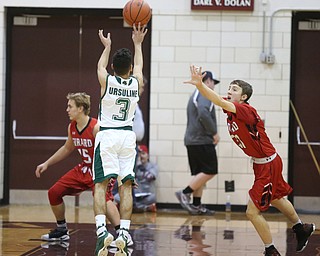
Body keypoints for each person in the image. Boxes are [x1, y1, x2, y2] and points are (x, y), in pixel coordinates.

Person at [184, 65, 316, 256]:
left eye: (234, 89)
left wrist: (200, 85)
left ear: (244, 97)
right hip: (264, 163)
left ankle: (270, 250)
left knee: (251, 212)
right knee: (277, 198)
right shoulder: (232, 110)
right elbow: (215, 99)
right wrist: (201, 88)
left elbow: (215, 100)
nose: (229, 91)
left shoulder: (244, 109)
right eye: (229, 88)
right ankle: (301, 228)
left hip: (268, 164)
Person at [35, 92, 120, 242]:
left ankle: (121, 235)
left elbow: (112, 151)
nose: (67, 109)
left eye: (70, 106)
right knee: (54, 192)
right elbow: (67, 148)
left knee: (103, 199)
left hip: (101, 169)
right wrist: (47, 163)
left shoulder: (96, 127)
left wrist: (115, 174)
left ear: (80, 108)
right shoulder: (72, 127)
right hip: (85, 168)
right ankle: (62, 230)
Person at [93, 23, 148, 256]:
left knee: (100, 185)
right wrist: (138, 43)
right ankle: (124, 233)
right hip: (128, 137)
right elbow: (140, 68)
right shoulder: (136, 84)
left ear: (114, 66)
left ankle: (102, 233)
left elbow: (99, 66)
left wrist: (107, 46)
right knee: (126, 185)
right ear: (131, 68)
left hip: (107, 134)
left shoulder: (107, 81)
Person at [175, 71, 220, 215]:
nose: (213, 87)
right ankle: (184, 193)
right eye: (213, 83)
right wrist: (214, 132)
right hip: (201, 140)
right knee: (210, 170)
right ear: (208, 81)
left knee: (200, 174)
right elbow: (203, 112)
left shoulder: (196, 94)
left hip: (193, 140)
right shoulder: (204, 93)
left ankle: (196, 205)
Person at [114, 145, 158, 212]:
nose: (141, 156)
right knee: (117, 197)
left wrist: (140, 166)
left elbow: (149, 177)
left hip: (145, 195)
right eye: (139, 154)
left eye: (143, 154)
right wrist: (135, 166)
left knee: (153, 198)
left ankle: (131, 207)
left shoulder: (152, 166)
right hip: (132, 194)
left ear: (147, 155)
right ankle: (144, 208)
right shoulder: (131, 167)